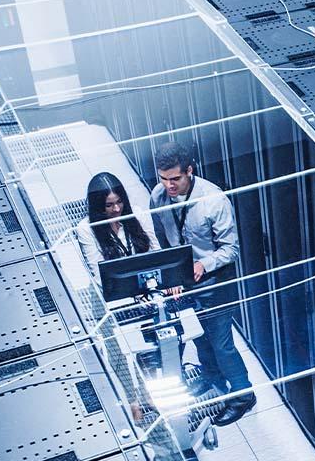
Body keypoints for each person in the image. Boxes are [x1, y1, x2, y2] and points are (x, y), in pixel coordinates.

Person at [149, 142, 255, 426]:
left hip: (214, 281)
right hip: (183, 283)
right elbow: (163, 240)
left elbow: (230, 250)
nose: (168, 185)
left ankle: (244, 396)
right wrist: (171, 274)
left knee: (222, 345)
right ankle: (211, 377)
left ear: (189, 172)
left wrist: (202, 264)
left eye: (175, 179)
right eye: (163, 178)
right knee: (198, 336)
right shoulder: (157, 196)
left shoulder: (213, 200)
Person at [74, 171, 161, 284]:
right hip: (115, 290)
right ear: (98, 206)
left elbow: (156, 251)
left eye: (119, 202)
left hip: (148, 281)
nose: (116, 209)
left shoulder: (136, 213)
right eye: (109, 205)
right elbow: (99, 274)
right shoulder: (86, 229)